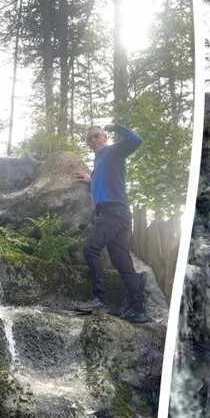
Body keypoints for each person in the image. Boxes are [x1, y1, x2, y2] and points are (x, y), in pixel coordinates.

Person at [73, 123, 148, 323]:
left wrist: (117, 127)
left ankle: (99, 299)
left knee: (90, 248)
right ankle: (138, 308)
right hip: (118, 214)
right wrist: (91, 178)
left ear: (105, 137)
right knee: (122, 262)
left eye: (97, 136)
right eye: (90, 138)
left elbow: (136, 141)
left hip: (113, 213)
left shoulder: (113, 151)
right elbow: (105, 180)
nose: (94, 140)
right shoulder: (100, 162)